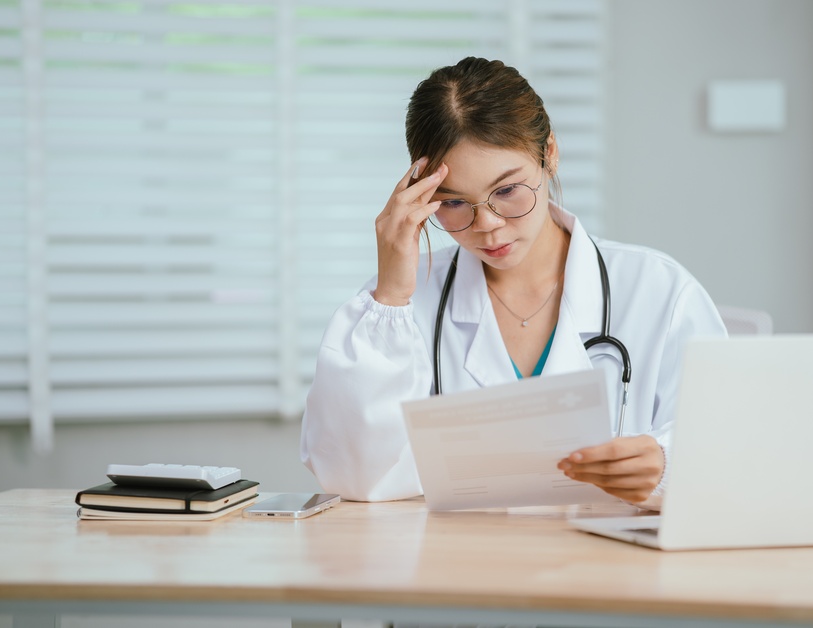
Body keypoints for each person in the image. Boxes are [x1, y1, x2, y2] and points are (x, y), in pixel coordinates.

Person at [301, 57, 726, 510]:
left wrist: (665, 466)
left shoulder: (658, 291)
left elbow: (730, 449)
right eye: (454, 202)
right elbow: (353, 476)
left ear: (550, 155)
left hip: (608, 569)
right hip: (463, 568)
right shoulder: (403, 304)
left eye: (506, 191)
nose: (488, 225)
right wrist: (390, 294)